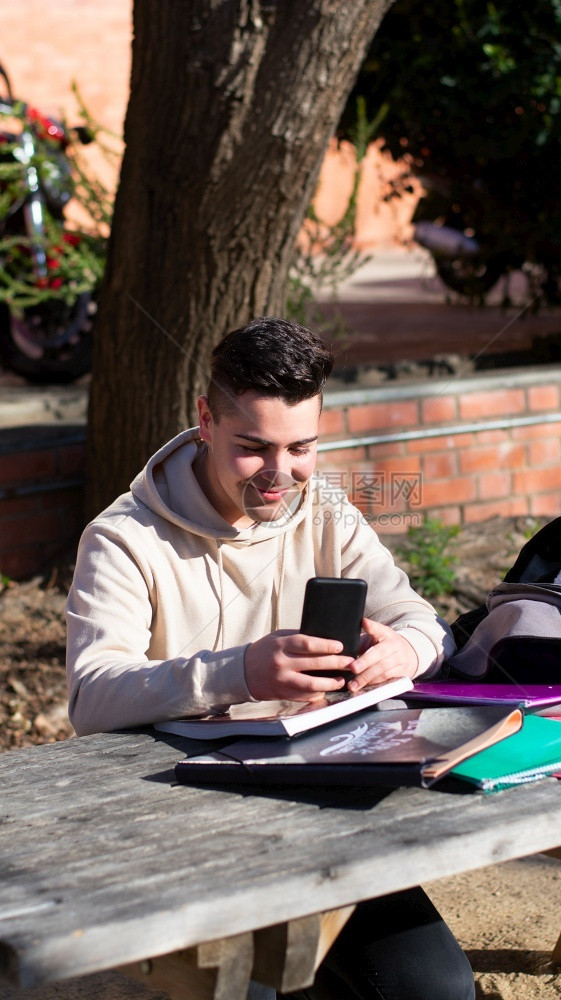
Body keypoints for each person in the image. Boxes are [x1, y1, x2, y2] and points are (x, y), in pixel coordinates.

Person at [66, 316, 475, 1000]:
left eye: (303, 446)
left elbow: (422, 621)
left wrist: (408, 648)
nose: (281, 474)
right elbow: (91, 698)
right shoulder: (122, 540)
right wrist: (238, 672)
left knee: (438, 990)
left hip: (322, 814)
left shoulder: (326, 511)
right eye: (253, 447)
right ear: (205, 419)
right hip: (181, 832)